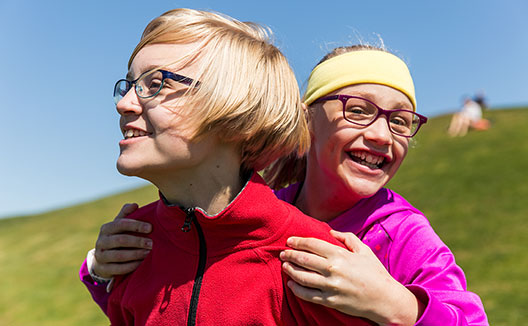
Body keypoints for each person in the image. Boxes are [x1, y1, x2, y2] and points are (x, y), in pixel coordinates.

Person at [81, 43, 489, 325]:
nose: (383, 135)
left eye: (400, 121)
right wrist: (101, 271)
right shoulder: (256, 214)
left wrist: (396, 305)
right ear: (307, 120)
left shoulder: (403, 236)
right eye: (359, 111)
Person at [86, 8, 378, 326]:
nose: (124, 103)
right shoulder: (129, 247)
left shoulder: (317, 263)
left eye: (156, 84)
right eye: (128, 85)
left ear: (236, 112)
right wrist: (98, 274)